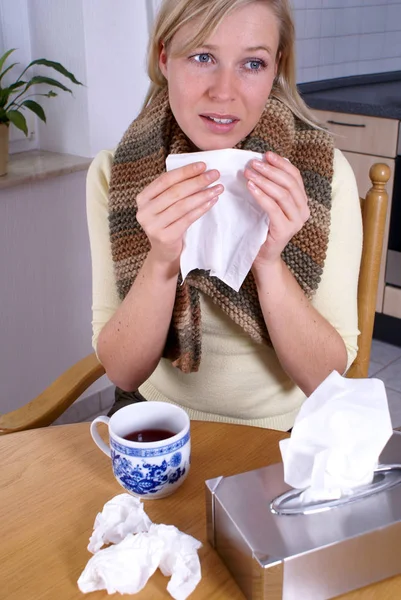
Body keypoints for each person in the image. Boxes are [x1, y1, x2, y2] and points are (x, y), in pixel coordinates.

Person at [87, 0, 362, 432]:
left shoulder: (323, 176)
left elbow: (326, 377)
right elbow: (123, 372)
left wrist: (268, 261)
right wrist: (161, 259)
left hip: (282, 435)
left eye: (252, 63)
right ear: (164, 57)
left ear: (277, 69)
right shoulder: (114, 175)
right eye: (202, 57)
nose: (224, 92)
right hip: (159, 420)